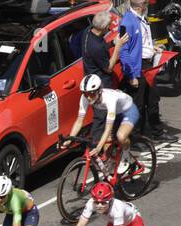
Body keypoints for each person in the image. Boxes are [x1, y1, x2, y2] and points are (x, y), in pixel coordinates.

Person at [67, 74, 138, 168]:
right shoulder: (85, 98)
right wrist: (69, 139)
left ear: (99, 91)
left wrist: (98, 147)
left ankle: (126, 155)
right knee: (107, 147)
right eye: (85, 93)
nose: (88, 97)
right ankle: (114, 173)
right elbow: (79, 121)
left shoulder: (109, 99)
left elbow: (108, 128)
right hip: (115, 113)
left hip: (128, 110)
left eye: (91, 93)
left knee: (120, 136)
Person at [119, 0, 165, 138]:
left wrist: (152, 48)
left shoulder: (142, 19)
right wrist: (132, 75)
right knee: (138, 103)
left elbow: (142, 42)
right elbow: (124, 50)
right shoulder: (127, 22)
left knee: (152, 100)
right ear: (141, 6)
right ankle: (136, 137)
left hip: (148, 65)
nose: (148, 6)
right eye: (147, 4)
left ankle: (156, 132)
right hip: (138, 67)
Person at [80, 9, 119, 89]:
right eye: (109, 25)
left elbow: (100, 47)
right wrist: (118, 46)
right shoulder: (96, 47)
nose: (110, 27)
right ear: (105, 27)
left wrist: (112, 43)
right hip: (102, 85)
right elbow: (109, 68)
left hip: (91, 76)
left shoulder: (88, 31)